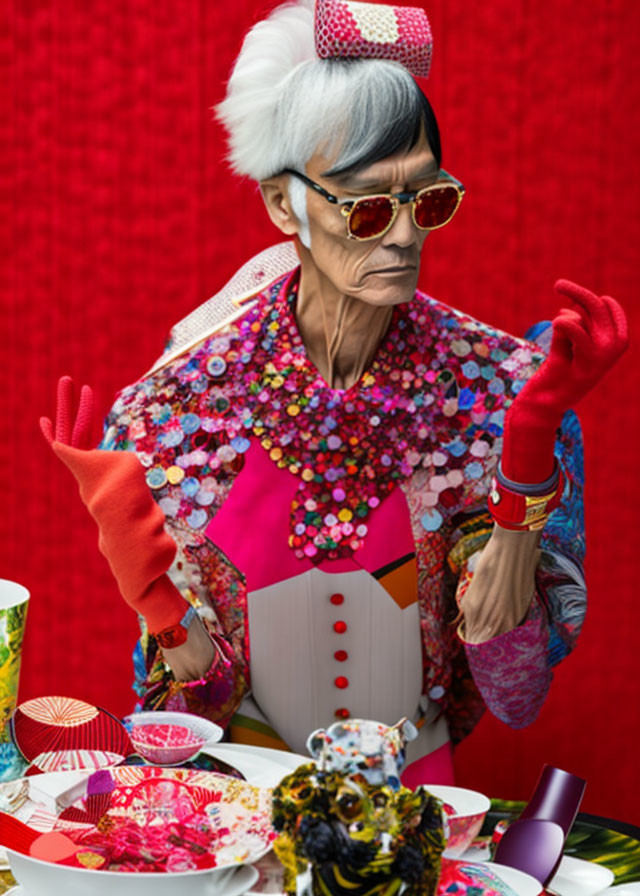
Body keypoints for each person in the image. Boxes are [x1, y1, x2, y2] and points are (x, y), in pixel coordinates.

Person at [41, 0, 627, 784]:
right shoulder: (176, 413)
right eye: (367, 205)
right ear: (284, 203)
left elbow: (515, 695)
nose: (404, 235)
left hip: (418, 810)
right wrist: (155, 600)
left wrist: (523, 469)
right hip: (237, 816)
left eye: (429, 199)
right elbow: (183, 718)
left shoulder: (499, 393)